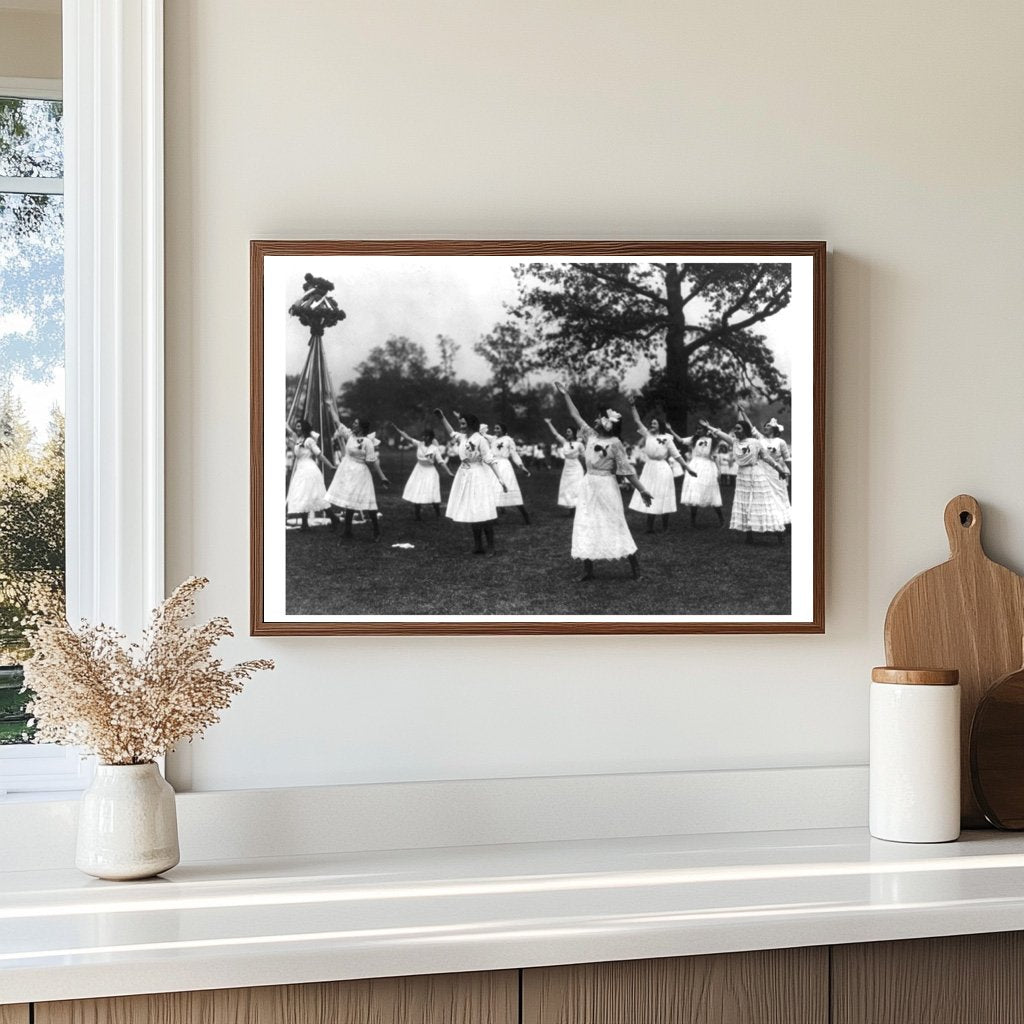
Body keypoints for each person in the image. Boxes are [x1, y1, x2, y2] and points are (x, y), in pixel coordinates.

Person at [553, 383, 652, 581]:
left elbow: (626, 471)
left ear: (607, 423)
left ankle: (636, 569)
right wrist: (566, 395)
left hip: (607, 485)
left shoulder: (615, 444)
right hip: (588, 484)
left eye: (600, 418)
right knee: (585, 522)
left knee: (615, 522)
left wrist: (642, 490)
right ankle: (587, 570)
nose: (596, 420)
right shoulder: (590, 435)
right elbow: (575, 415)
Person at [700, 418, 789, 544]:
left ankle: (779, 534)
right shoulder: (735, 442)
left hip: (756, 474)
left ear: (745, 430)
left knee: (763, 503)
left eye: (739, 428)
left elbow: (767, 458)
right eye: (735, 428)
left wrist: (780, 470)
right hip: (742, 476)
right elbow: (722, 435)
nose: (736, 431)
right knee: (745, 504)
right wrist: (709, 427)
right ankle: (749, 536)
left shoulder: (755, 442)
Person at [435, 409, 508, 555]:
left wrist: (501, 479)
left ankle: (491, 547)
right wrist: (442, 418)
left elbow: (489, 459)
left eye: (463, 423)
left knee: (483, 512)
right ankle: (478, 546)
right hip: (464, 476)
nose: (460, 426)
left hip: (478, 477)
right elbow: (451, 432)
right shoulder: (462, 438)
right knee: (472, 511)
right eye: (460, 423)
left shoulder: (480, 439)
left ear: (470, 424)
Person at [626, 401, 695, 532]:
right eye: (651, 423)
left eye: (654, 423)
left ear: (660, 426)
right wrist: (632, 406)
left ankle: (665, 527)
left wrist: (687, 468)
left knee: (664, 495)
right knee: (649, 492)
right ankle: (649, 527)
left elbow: (676, 455)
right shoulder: (647, 434)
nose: (651, 425)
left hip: (663, 469)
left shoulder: (667, 438)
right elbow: (637, 420)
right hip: (649, 468)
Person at [326, 418, 390, 541]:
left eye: (355, 423)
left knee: (369, 504)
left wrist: (382, 477)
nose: (352, 425)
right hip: (348, 472)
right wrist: (329, 405)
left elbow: (373, 461)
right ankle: (348, 531)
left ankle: (377, 532)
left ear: (361, 427)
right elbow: (338, 423)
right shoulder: (350, 436)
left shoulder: (367, 442)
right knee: (349, 501)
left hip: (361, 473)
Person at [666, 421, 724, 527]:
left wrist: (719, 470)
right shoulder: (694, 439)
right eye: (697, 429)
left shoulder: (712, 441)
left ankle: (721, 519)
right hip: (695, 465)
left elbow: (715, 456)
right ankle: (693, 521)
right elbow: (680, 440)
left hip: (707, 467)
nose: (698, 431)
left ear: (706, 430)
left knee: (711, 491)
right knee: (694, 491)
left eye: (700, 429)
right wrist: (670, 430)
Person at [390, 423, 453, 520]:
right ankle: (417, 515)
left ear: (430, 437)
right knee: (417, 491)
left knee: (432, 492)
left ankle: (437, 513)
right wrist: (398, 430)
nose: (424, 437)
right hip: (419, 470)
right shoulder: (419, 444)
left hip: (430, 471)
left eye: (426, 436)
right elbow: (408, 438)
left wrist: (448, 472)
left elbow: (441, 462)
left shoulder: (434, 449)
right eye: (423, 435)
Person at [741, 411, 791, 527]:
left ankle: (782, 521)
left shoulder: (781, 442)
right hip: (761, 471)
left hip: (776, 472)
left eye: (768, 425)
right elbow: (749, 425)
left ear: (774, 428)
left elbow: (787, 458)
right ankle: (763, 522)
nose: (765, 427)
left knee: (778, 495)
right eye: (765, 425)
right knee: (760, 496)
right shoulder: (760, 438)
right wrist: (743, 412)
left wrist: (790, 471)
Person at [284, 420, 335, 530]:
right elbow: (290, 433)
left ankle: (333, 518)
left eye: (299, 426)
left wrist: (330, 465)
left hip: (310, 469)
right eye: (296, 426)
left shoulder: (309, 440)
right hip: (301, 469)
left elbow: (319, 454)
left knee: (316, 495)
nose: (297, 428)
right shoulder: (299, 440)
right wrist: (285, 426)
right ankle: (304, 524)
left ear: (304, 428)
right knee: (303, 495)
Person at [485, 423, 532, 524]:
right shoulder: (493, 439)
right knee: (494, 489)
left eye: (498, 428)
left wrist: (522, 466)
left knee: (510, 489)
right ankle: (494, 519)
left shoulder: (508, 440)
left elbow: (514, 454)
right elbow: (481, 434)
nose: (495, 430)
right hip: (494, 466)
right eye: (494, 428)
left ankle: (525, 514)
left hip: (505, 466)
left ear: (503, 430)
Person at [544, 418, 586, 512]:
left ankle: (578, 509)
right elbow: (555, 434)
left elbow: (585, 456)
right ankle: (571, 508)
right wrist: (549, 423)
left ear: (573, 433)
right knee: (567, 488)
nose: (567, 433)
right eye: (566, 432)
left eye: (569, 432)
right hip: (567, 469)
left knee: (576, 487)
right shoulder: (564, 442)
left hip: (576, 468)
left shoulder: (579, 444)